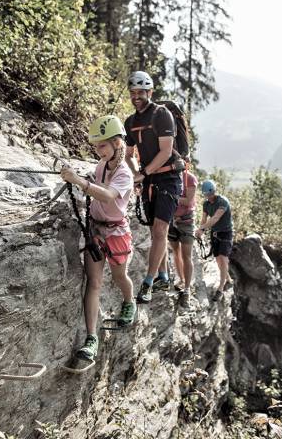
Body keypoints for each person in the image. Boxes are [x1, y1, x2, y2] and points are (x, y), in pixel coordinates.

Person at [60, 115, 136, 362]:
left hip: (116, 232)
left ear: (117, 143)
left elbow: (108, 196)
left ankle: (129, 300)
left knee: (119, 276)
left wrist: (79, 181)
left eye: (102, 145)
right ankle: (91, 339)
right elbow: (98, 185)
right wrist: (84, 179)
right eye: (96, 146)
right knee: (94, 283)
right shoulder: (102, 166)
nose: (98, 150)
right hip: (96, 230)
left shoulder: (124, 173)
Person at [124, 71, 183, 304]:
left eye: (141, 92)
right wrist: (135, 174)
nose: (136, 96)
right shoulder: (130, 122)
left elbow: (166, 152)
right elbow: (128, 154)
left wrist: (143, 173)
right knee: (155, 232)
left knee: (159, 230)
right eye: (133, 92)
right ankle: (164, 277)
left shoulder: (161, 114)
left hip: (169, 178)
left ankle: (148, 283)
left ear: (150, 92)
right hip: (149, 180)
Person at [163, 163, 198, 308]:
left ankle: (187, 289)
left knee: (186, 255)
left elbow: (188, 201)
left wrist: (170, 195)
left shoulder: (190, 179)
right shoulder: (170, 178)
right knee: (176, 251)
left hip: (186, 222)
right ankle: (182, 280)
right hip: (172, 220)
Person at [195, 179, 233, 301]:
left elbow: (215, 218)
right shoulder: (206, 204)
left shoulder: (223, 202)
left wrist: (202, 228)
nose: (209, 197)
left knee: (223, 259)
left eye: (211, 194)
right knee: (218, 259)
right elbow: (204, 219)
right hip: (215, 233)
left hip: (226, 233)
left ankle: (220, 288)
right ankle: (228, 278)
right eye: (207, 195)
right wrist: (201, 230)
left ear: (214, 192)